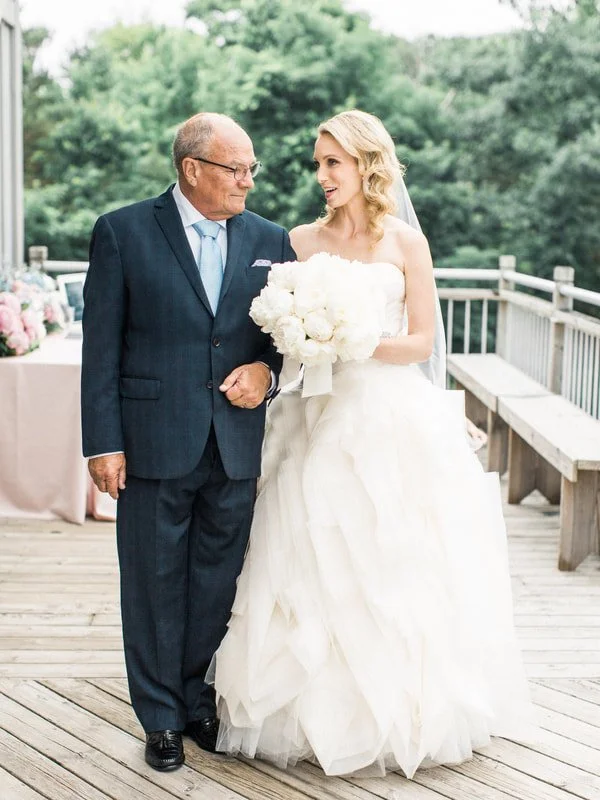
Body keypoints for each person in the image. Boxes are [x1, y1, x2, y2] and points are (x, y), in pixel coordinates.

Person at [209, 110, 534, 778]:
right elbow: (274, 334)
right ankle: (303, 711)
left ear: (366, 164)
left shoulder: (406, 243)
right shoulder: (299, 239)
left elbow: (421, 341)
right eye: (317, 163)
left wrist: (354, 341)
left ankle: (403, 713)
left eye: (334, 162)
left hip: (389, 415)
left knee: (393, 561)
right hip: (315, 416)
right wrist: (303, 341)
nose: (322, 176)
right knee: (308, 553)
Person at [81, 112, 295, 771]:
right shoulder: (122, 232)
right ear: (191, 169)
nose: (248, 181)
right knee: (152, 582)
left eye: (252, 169)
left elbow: (285, 342)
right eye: (236, 169)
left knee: (216, 581)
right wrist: (102, 443)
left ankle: (195, 699)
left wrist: (268, 373)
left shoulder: (270, 238)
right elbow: (102, 349)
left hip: (233, 444)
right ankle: (160, 719)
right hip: (150, 442)